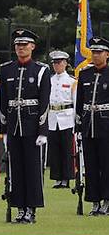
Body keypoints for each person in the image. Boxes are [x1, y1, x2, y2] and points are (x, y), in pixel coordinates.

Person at [0, 28, 51, 223]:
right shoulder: (6, 69)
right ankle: (19, 206)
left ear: (32, 47)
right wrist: (3, 130)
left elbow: (44, 102)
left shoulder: (41, 70)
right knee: (15, 169)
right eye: (17, 45)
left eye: (24, 45)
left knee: (32, 168)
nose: (20, 48)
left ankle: (32, 208)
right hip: (13, 125)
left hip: (32, 126)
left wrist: (42, 130)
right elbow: (3, 102)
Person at [76, 37, 109, 215]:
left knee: (106, 165)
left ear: (107, 54)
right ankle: (94, 200)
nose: (96, 55)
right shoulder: (85, 74)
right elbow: (80, 102)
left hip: (105, 125)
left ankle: (107, 200)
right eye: (94, 52)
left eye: (99, 52)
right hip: (89, 125)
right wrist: (78, 127)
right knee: (90, 165)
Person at [48, 50, 76, 189]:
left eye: (59, 63)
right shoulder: (49, 80)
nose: (56, 65)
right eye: (54, 63)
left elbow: (76, 102)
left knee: (66, 149)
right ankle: (57, 178)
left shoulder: (71, 81)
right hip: (53, 116)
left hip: (67, 117)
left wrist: (76, 122)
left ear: (65, 63)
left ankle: (66, 178)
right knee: (55, 150)